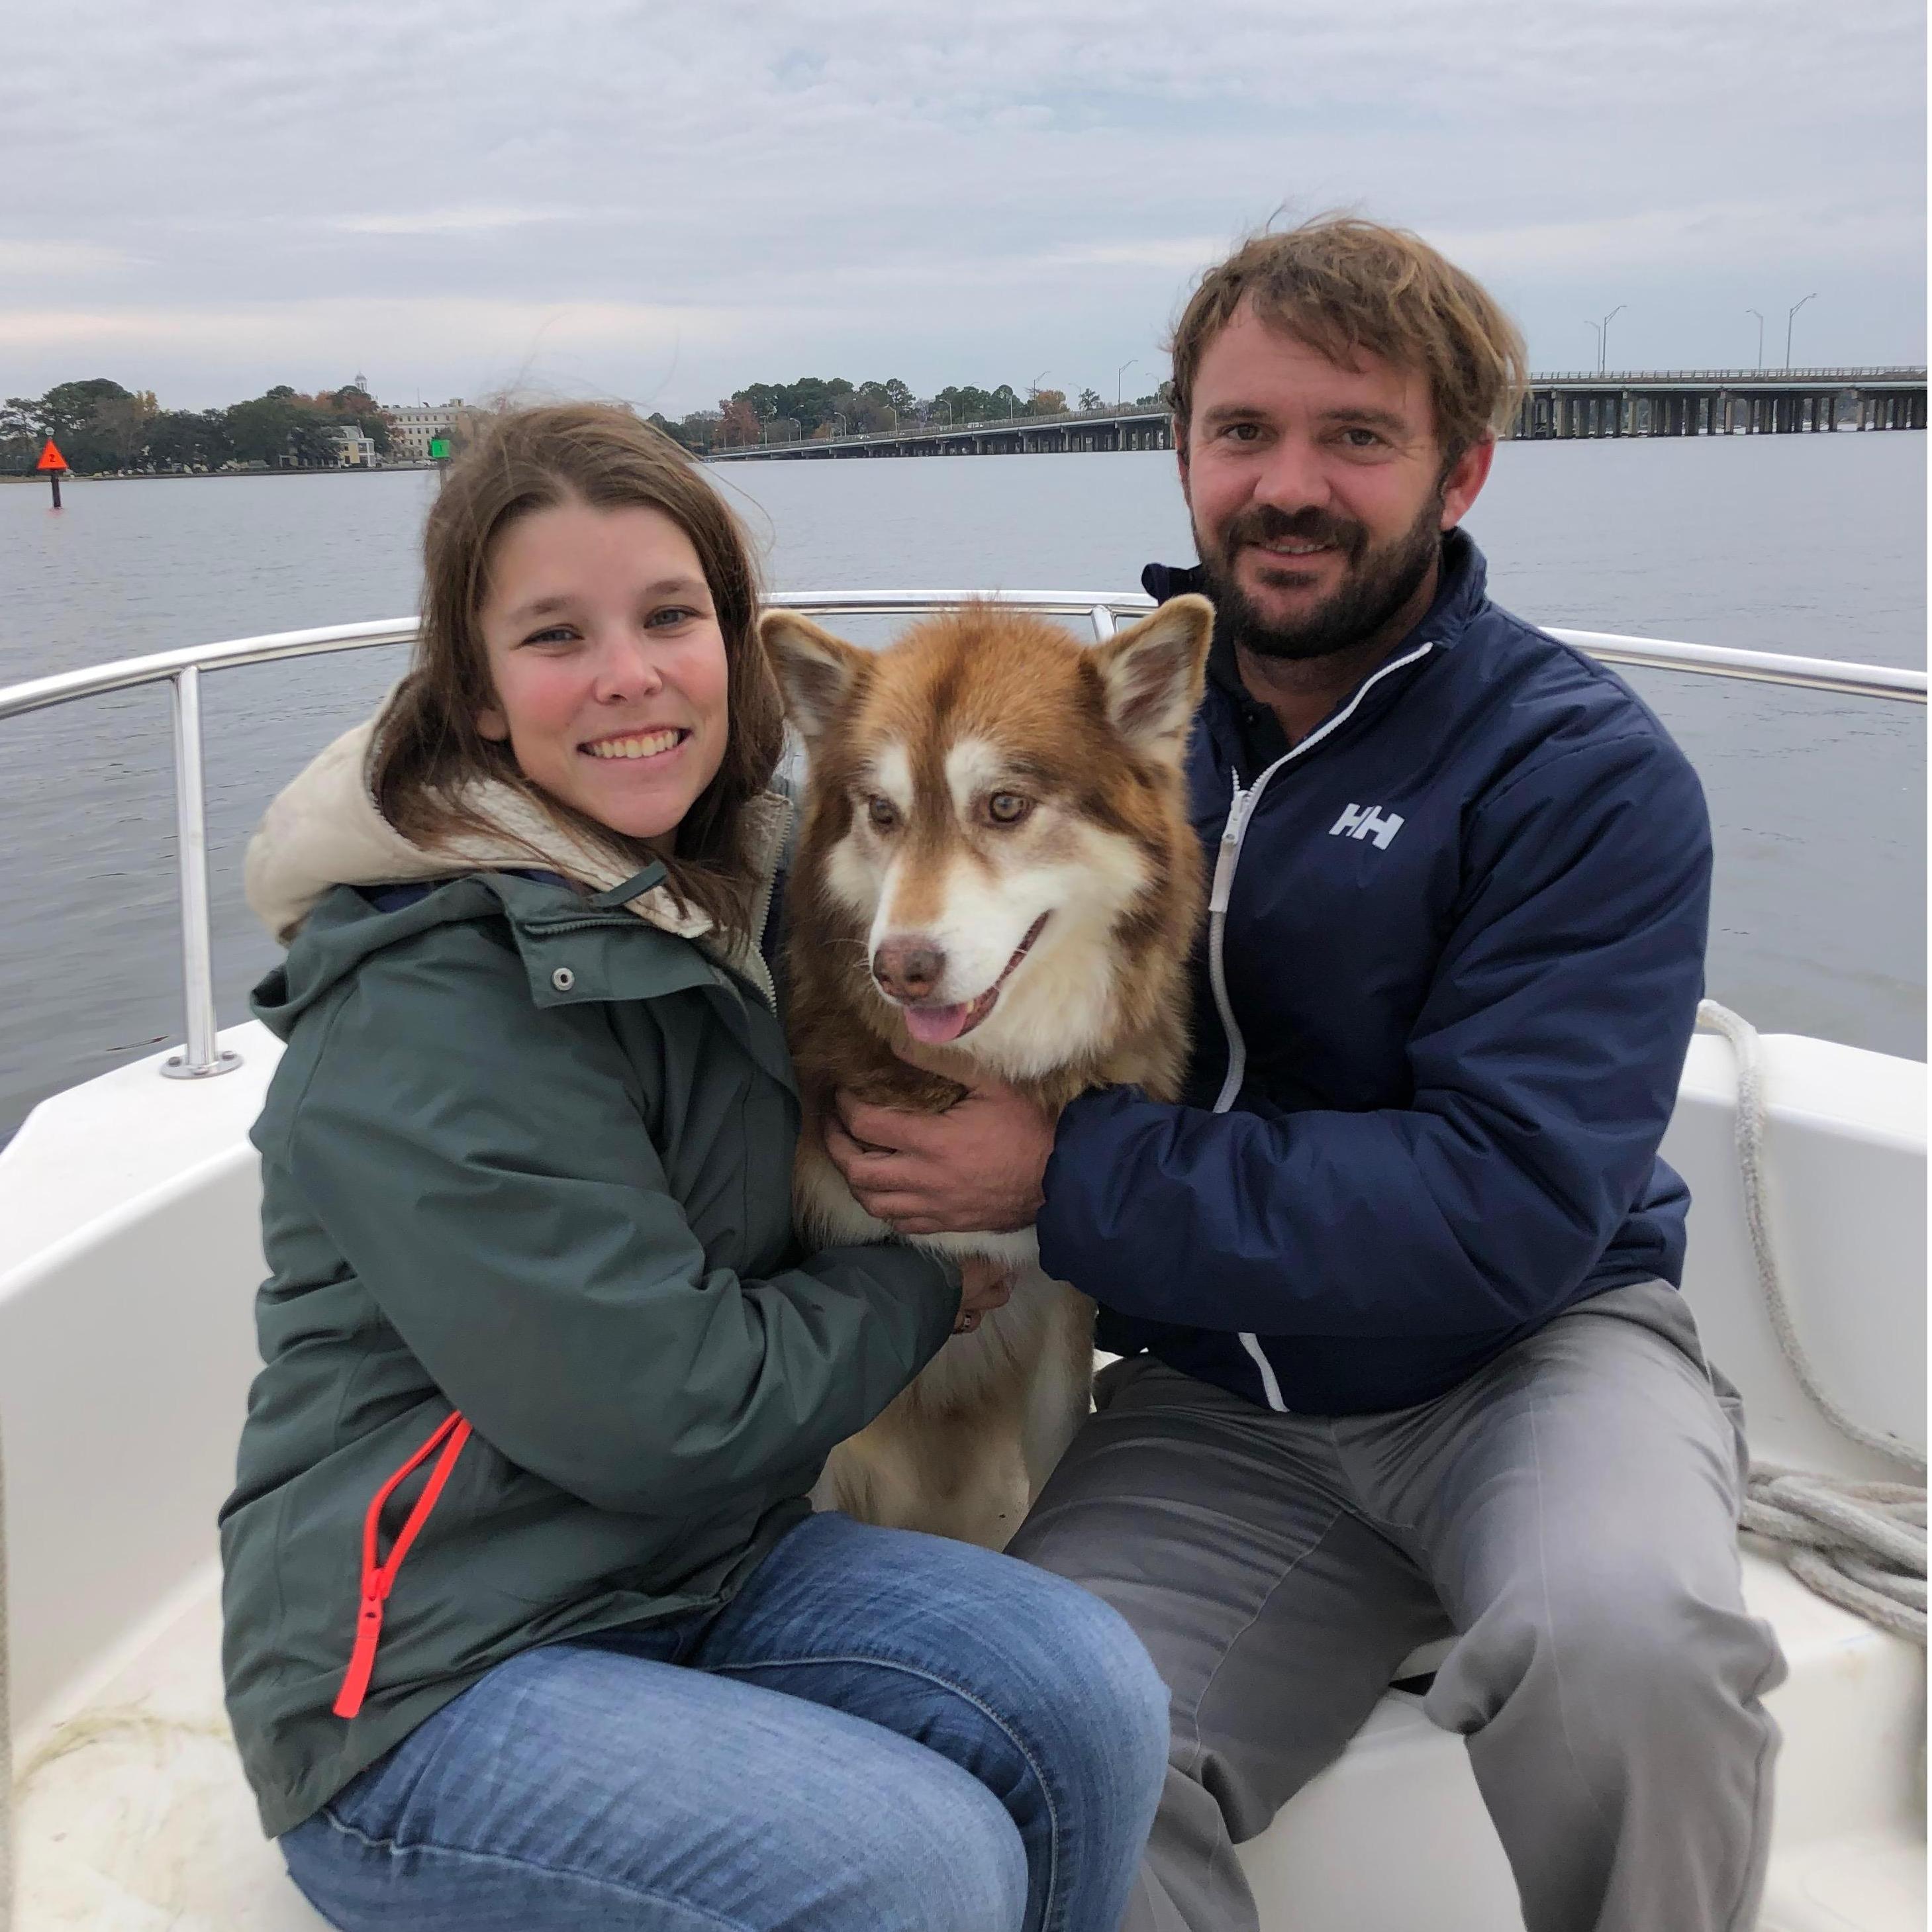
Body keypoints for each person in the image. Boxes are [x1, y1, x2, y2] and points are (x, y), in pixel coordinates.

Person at [826, 219, 1787, 1932]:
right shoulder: (1092, 729)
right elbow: (836, 843)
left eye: (1355, 435)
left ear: (1458, 465)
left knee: (1625, 1641)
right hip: (1215, 1400)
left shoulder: (1573, 772)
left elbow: (1503, 1206)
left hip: (1529, 1353)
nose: (1288, 485)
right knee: (1029, 1732)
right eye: (1242, 431)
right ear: (1183, 449)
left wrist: (1061, 1177)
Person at [219, 403, 1169, 1932]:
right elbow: (664, 1409)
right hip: (427, 1679)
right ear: (474, 695)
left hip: (697, 1568)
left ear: (733, 648)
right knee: (919, 1866)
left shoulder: (724, 887)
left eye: (670, 616)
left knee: (1092, 1695)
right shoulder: (421, 999)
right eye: (554, 635)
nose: (628, 674)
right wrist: (937, 1285)